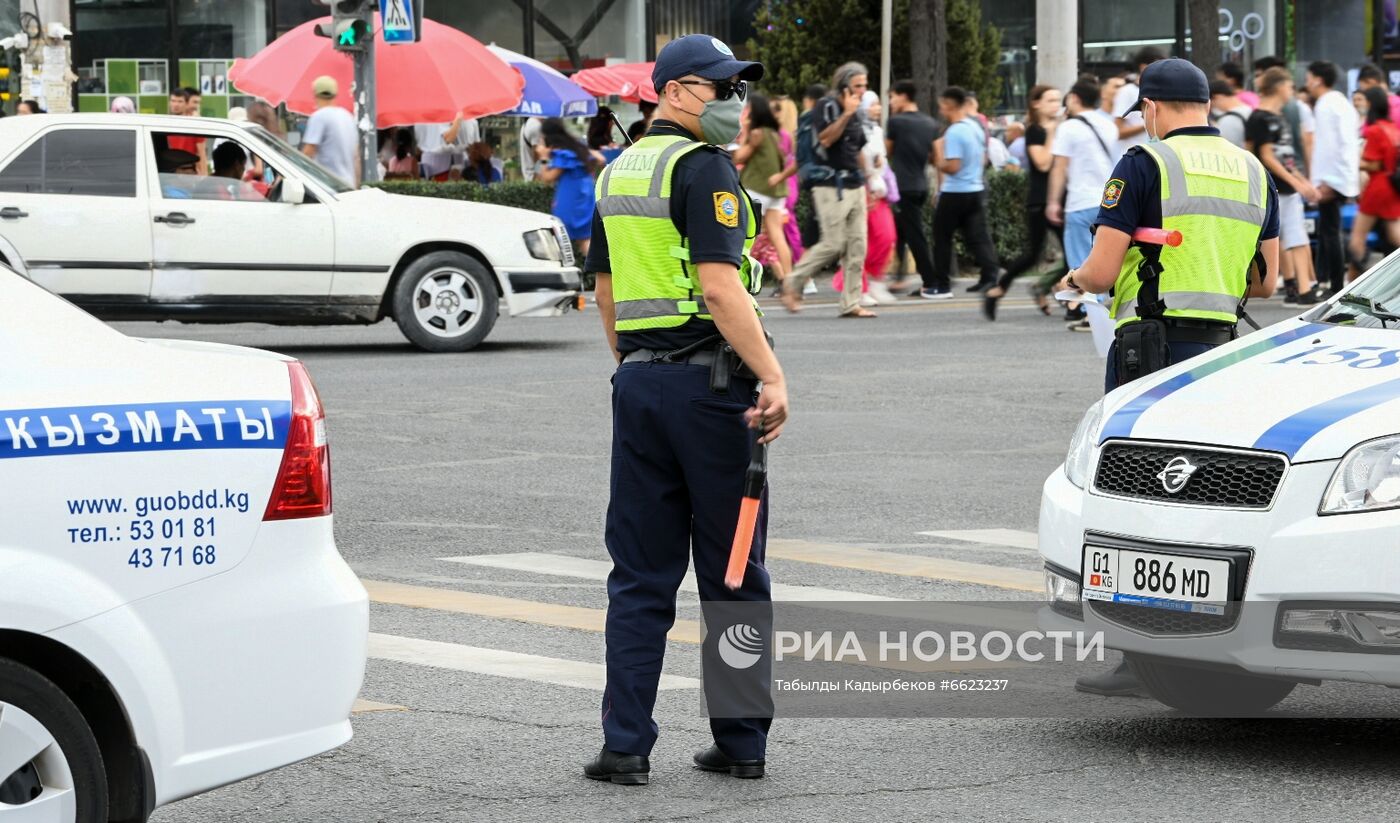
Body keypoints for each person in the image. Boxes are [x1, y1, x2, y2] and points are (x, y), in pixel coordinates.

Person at [582, 33, 785, 787]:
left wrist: (632, 364)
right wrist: (772, 374)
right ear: (671, 91)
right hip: (713, 389)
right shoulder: (704, 171)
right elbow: (722, 288)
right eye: (719, 88)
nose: (734, 104)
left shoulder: (618, 173)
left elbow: (605, 291)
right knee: (734, 569)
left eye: (736, 89)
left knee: (638, 573)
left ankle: (625, 745)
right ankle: (740, 740)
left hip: (639, 384)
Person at [1056, 59, 1279, 697]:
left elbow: (1099, 275)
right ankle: (1202, 641)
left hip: (1146, 352)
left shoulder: (1145, 163)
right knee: (1205, 498)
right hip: (1220, 351)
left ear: (1151, 108)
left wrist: (1071, 280)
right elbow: (1267, 282)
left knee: (1138, 501)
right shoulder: (1253, 170)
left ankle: (1139, 650)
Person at [781, 63, 875, 317]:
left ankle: (851, 302)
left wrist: (870, 181)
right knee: (833, 243)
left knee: (858, 246)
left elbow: (858, 149)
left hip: (854, 185)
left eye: (865, 85)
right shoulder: (828, 106)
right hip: (829, 185)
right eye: (858, 85)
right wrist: (846, 114)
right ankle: (793, 280)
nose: (863, 90)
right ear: (844, 86)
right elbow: (825, 139)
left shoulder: (857, 110)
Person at [985, 84, 1063, 319]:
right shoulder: (1035, 131)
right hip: (1040, 200)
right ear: (1036, 103)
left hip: (1060, 199)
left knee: (1074, 253)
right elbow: (1043, 163)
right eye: (1050, 100)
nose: (1056, 105)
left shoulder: (1064, 128)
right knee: (1033, 254)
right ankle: (999, 289)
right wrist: (1052, 133)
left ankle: (1046, 289)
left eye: (1058, 100)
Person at [1248, 66, 1321, 305]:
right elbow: (1267, 156)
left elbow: (1284, 158)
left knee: (1290, 237)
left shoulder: (1275, 117)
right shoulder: (1260, 118)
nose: (1292, 90)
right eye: (1289, 85)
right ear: (1279, 86)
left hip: (1284, 186)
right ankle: (1302, 288)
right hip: (1273, 186)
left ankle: (1298, 287)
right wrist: (1298, 182)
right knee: (1291, 236)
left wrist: (1301, 182)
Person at [928, 86, 1002, 297]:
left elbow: (953, 166)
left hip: (955, 192)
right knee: (978, 236)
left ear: (950, 105)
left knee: (941, 237)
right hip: (975, 189)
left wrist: (937, 160)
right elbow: (983, 158)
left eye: (942, 106)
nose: (941, 110)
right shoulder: (975, 127)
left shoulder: (955, 131)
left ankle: (942, 285)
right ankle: (989, 277)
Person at [1046, 77, 1118, 285]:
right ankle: (1104, 314)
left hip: (1079, 203)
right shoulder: (1109, 125)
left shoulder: (1068, 128)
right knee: (1105, 264)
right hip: (1108, 203)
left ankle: (1088, 313)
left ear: (1074, 98)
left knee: (1079, 266)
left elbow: (1059, 167)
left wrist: (1053, 202)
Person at [835, 91, 898, 305]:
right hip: (859, 188)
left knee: (886, 237)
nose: (878, 108)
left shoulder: (877, 130)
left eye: (878, 104)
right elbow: (851, 158)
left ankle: (872, 281)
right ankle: (858, 287)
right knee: (858, 240)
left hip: (877, 191)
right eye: (873, 104)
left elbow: (881, 160)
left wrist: (880, 164)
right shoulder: (853, 127)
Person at [1306, 60, 1360, 295]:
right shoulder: (1340, 102)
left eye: (1309, 77)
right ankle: (1327, 281)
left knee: (1330, 232)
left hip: (1332, 177)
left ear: (1318, 79)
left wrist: (1322, 181)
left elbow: (1326, 147)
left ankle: (1335, 285)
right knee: (1331, 230)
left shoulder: (1326, 105)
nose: (1307, 82)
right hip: (1341, 175)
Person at [734, 93, 796, 285]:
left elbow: (738, 158)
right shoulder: (777, 133)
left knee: (742, 234)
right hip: (777, 192)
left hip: (756, 189)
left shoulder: (757, 133)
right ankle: (789, 280)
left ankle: (738, 278)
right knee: (777, 237)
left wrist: (744, 132)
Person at [885, 79, 940, 296]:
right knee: (900, 232)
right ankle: (899, 277)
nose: (890, 102)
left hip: (902, 187)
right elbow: (935, 156)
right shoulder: (930, 123)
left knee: (915, 234)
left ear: (903, 95)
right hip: (920, 184)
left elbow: (887, 151)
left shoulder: (896, 122)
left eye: (892, 97)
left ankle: (930, 280)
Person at [536, 118, 601, 257]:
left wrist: (543, 157)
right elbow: (600, 159)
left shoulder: (563, 153)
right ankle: (598, 274)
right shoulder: (577, 147)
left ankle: (563, 271)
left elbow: (547, 178)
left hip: (570, 197)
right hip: (585, 194)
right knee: (584, 238)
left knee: (559, 235)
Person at [1352, 87, 1400, 271]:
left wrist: (1355, 163)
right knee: (1395, 234)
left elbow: (1373, 164)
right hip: (1392, 187)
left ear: (1371, 104)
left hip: (1377, 187)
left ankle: (1356, 281)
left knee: (1358, 237)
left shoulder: (1374, 131)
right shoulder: (1393, 129)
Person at [302, 75, 359, 185]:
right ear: (335, 94)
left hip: (328, 186)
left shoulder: (318, 117)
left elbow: (309, 151)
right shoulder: (348, 116)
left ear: (315, 94)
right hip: (348, 184)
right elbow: (356, 156)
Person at [1115, 47, 1165, 157]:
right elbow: (1118, 132)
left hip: (1155, 157)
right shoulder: (1127, 91)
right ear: (1142, 67)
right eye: (1157, 65)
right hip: (1130, 158)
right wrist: (1148, 124)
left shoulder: (1162, 92)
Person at [1209, 79, 1252, 149]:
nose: (1213, 108)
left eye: (1212, 104)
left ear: (1217, 97)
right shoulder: (1250, 110)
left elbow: (1225, 149)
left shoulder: (1229, 120)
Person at [520, 116, 544, 181]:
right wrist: (537, 176)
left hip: (530, 177)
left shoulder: (529, 123)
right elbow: (537, 154)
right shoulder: (535, 126)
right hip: (534, 178)